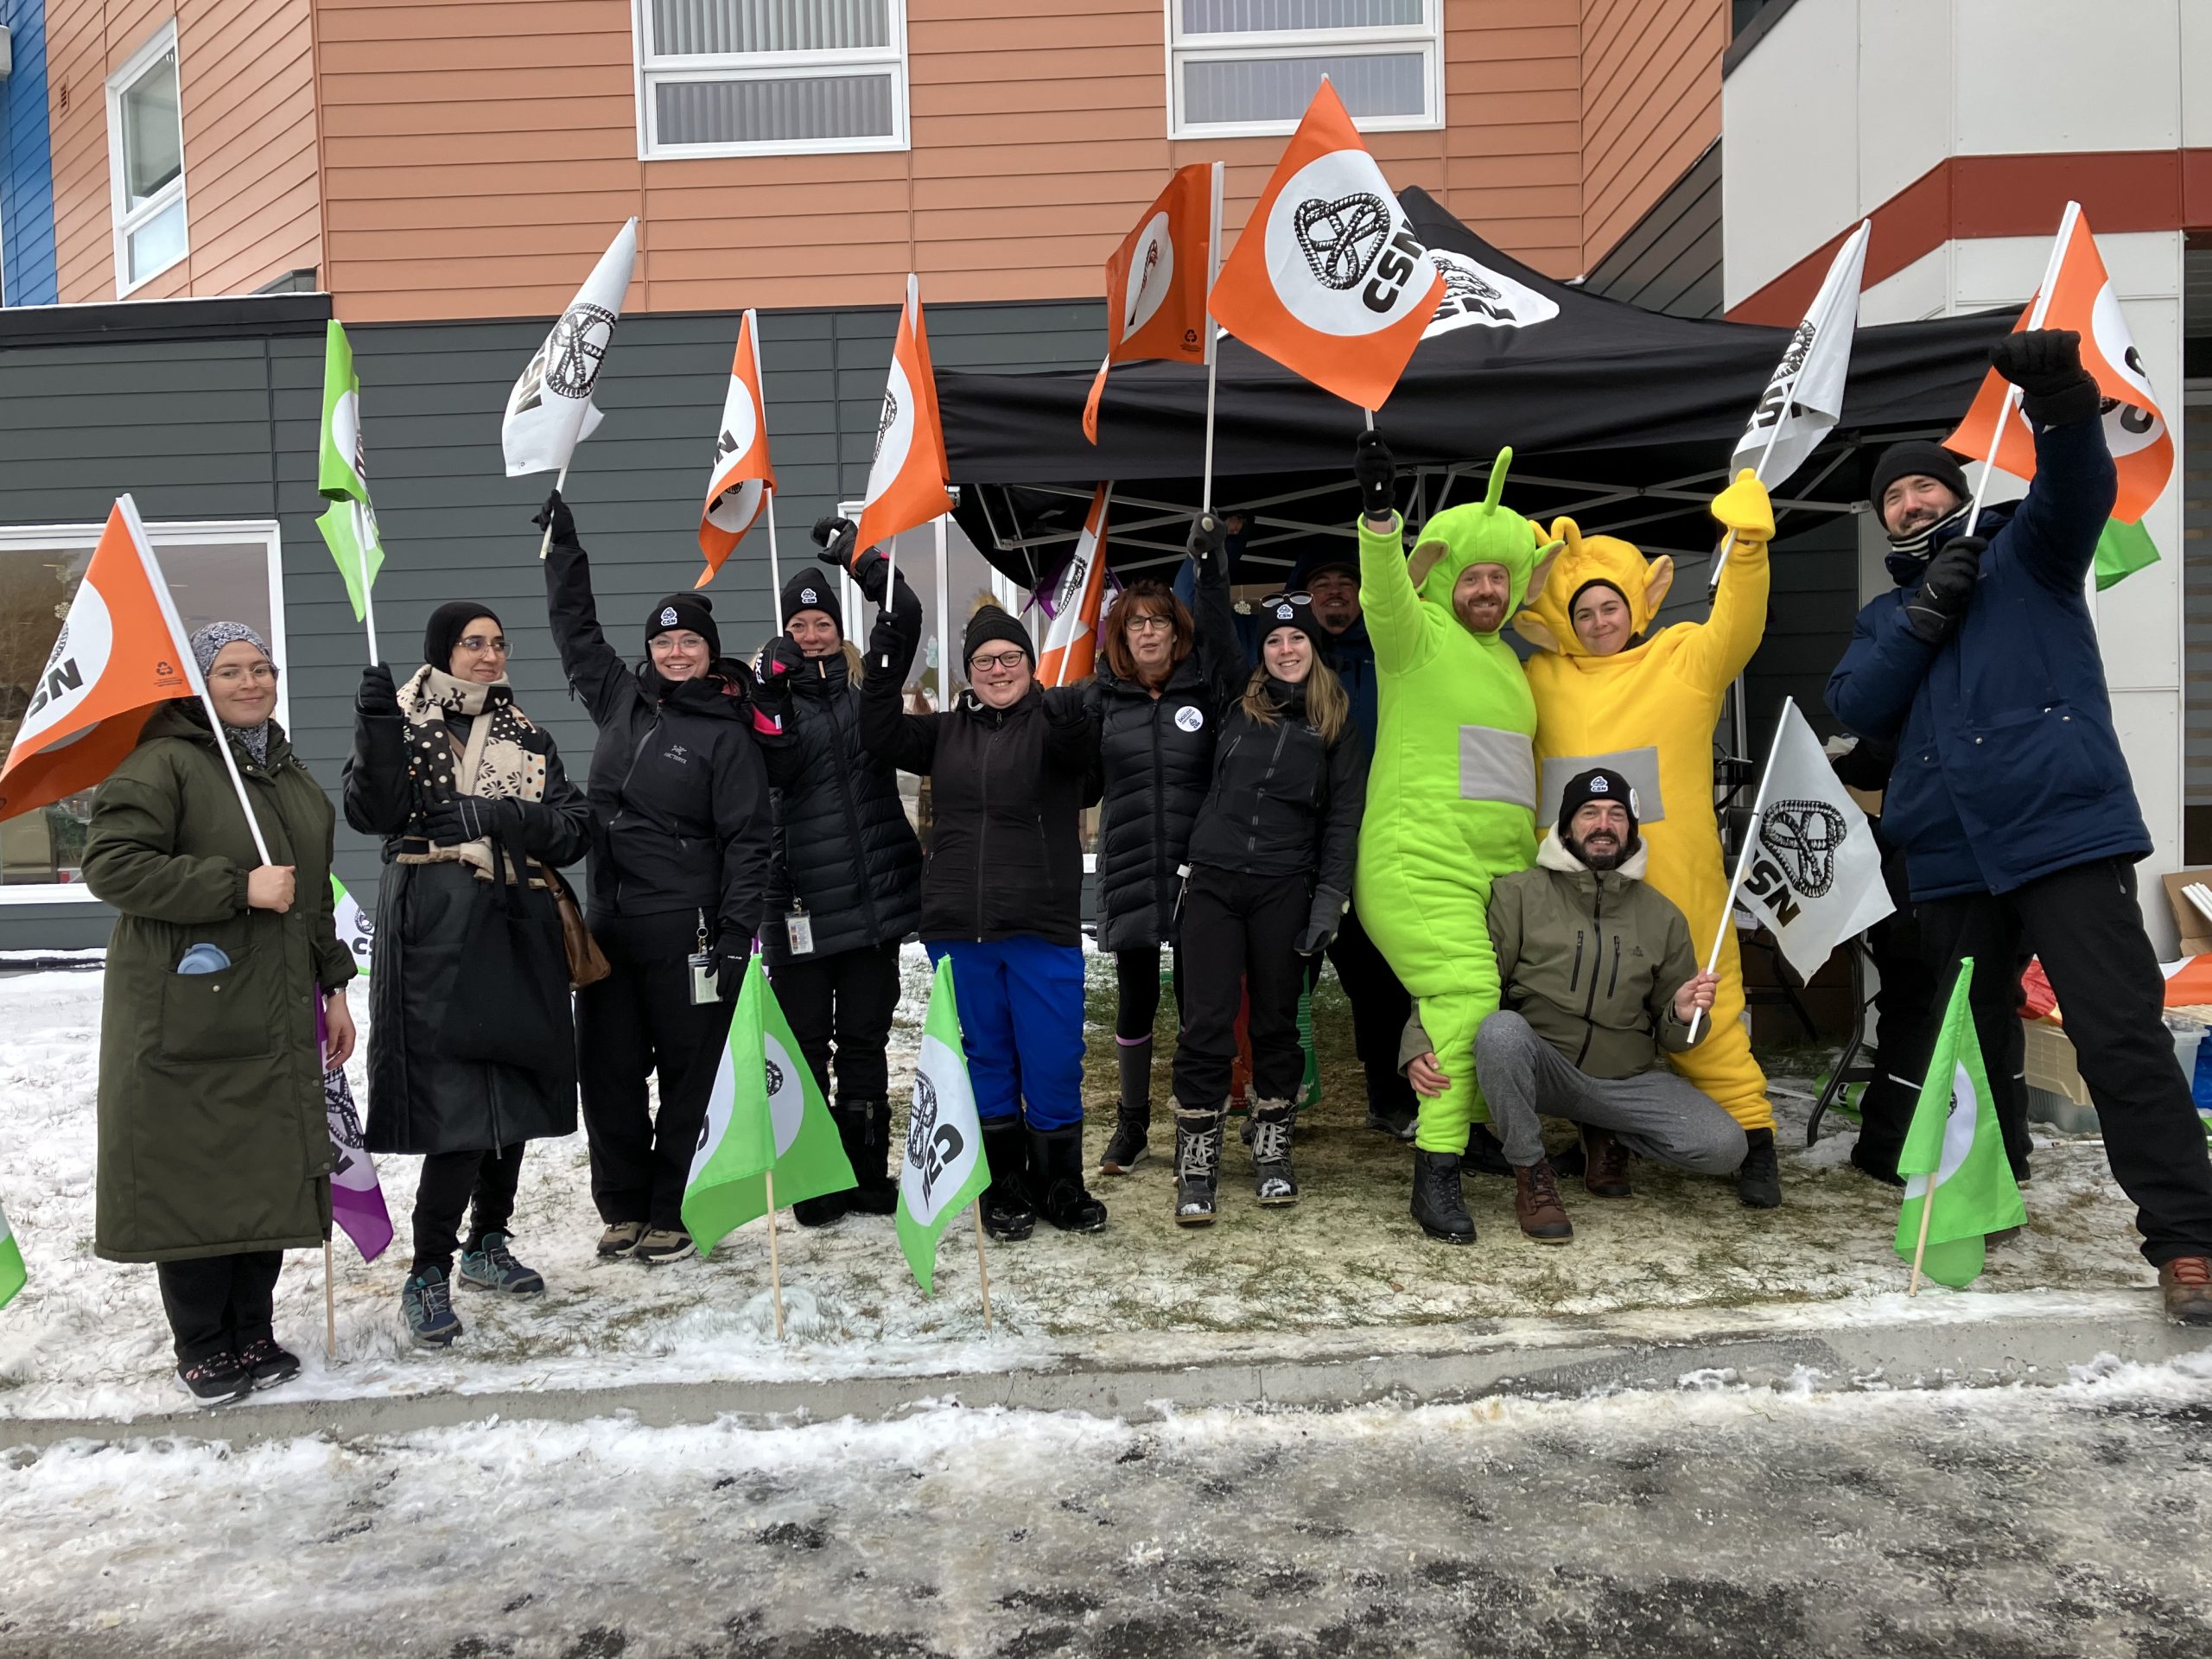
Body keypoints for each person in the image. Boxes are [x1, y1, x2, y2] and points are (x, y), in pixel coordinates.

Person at [1827, 327, 2212, 1325]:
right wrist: (1922, 619)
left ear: (1955, 495)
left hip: (2061, 831)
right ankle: (1979, 1196)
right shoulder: (1884, 616)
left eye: (1923, 490)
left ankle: (2186, 1240)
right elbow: (1862, 707)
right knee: (1965, 1041)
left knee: (2116, 1032)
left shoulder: (2029, 555)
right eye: (1892, 501)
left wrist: (2062, 402)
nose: (1909, 504)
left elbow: (2080, 487)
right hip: (1949, 854)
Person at [86, 623, 357, 1406]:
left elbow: (308, 897)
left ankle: (252, 1329)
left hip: (274, 1011)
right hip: (188, 1013)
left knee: (267, 1169)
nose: (251, 682)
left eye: (262, 667)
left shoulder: (285, 773)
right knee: (197, 1176)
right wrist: (233, 887)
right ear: (199, 686)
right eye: (231, 671)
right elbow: (113, 865)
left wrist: (333, 986)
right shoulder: (163, 762)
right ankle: (203, 1343)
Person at [1510, 474, 1784, 1206]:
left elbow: (1739, 628)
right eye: (1584, 610)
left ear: (1638, 605)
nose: (1598, 621)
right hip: (1574, 893)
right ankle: (1597, 1135)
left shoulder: (1683, 658)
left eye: (1610, 606)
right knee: (1573, 1008)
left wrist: (1749, 548)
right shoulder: (1537, 678)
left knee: (1706, 1004)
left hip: (1677, 886)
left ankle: (1754, 1139)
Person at [837, 526, 1106, 1237]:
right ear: (967, 670)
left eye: (1010, 656)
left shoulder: (1054, 724)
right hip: (960, 928)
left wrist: (1079, 702)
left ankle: (1061, 1185)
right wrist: (887, 604)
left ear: (1029, 663)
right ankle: (1004, 1187)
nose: (997, 668)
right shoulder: (942, 734)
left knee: (1052, 1061)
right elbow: (876, 727)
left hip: (1042, 927)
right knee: (987, 1063)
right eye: (984, 660)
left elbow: (1088, 753)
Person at [346, 601, 593, 1347]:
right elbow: (370, 812)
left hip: (515, 919)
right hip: (433, 928)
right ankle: (428, 1270)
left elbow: (575, 828)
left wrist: (501, 818)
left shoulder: (526, 735)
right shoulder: (402, 722)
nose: (489, 656)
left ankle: (490, 1240)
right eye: (472, 643)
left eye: (497, 642)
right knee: (456, 1104)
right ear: (441, 652)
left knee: (510, 1080)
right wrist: (373, 734)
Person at [538, 491, 776, 1263]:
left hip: (690, 930)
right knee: (606, 1072)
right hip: (609, 924)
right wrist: (562, 551)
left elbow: (749, 841)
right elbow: (577, 635)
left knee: (687, 1073)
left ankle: (672, 1209)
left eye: (689, 643)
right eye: (664, 641)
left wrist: (739, 934)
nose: (675, 653)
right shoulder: (620, 697)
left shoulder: (728, 734)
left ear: (710, 651)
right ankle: (623, 1206)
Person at [1348, 431, 1555, 1244]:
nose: (1486, 590)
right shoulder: (1417, 638)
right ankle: (1434, 1172)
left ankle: (1466, 1132)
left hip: (1499, 871)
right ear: (1443, 576)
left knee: (1487, 1007)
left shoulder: (1509, 659)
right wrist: (1378, 522)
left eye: (1500, 578)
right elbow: (1383, 600)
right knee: (1467, 997)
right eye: (1472, 576)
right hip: (1418, 857)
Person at [1401, 770, 1746, 1243]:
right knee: (1500, 1030)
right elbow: (1461, 979)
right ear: (1565, 827)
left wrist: (1684, 1014)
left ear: (1631, 829)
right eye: (1589, 813)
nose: (1603, 824)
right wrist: (1418, 1039)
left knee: (1725, 1147)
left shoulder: (1663, 916)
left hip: (1625, 1078)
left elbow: (1674, 1037)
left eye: (1616, 814)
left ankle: (1606, 1130)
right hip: (1541, 1068)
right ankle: (1532, 1172)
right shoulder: (1518, 894)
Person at [1167, 588, 1365, 1223]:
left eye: (1297, 640)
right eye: (1276, 640)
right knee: (1206, 1022)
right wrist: (1213, 561)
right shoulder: (1236, 698)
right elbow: (1217, 631)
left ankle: (1272, 1147)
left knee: (1277, 1023)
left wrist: (1329, 901)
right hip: (1215, 880)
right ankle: (1197, 1157)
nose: (1285, 649)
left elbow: (1343, 821)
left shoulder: (1337, 723)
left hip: (1286, 885)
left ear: (1315, 649)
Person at [753, 557, 924, 1225]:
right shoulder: (766, 694)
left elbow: (902, 615)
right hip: (797, 900)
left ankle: (864, 1172)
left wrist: (864, 559)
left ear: (838, 626)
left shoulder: (868, 690)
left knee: (863, 1040)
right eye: (799, 624)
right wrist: (767, 698)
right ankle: (815, 1176)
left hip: (872, 895)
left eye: (821, 622)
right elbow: (776, 770)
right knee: (802, 1046)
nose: (811, 635)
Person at [1088, 522, 1241, 1175]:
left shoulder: (1206, 690)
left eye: (1159, 624)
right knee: (1136, 999)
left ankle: (1196, 1119)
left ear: (1177, 635)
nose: (1148, 633)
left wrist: (1211, 575)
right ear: (1121, 639)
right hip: (1128, 864)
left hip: (1196, 865)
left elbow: (1225, 646)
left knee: (1200, 1001)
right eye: (1135, 625)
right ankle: (1131, 1124)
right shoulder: (1102, 700)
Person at [1284, 545, 1422, 1141]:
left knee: (1382, 984)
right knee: (1286, 983)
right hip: (1299, 849)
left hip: (1374, 845)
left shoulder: (1391, 657)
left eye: (1347, 582)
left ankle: (1388, 1098)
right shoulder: (1284, 663)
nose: (1335, 592)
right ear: (1305, 596)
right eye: (1322, 583)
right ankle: (1276, 1099)